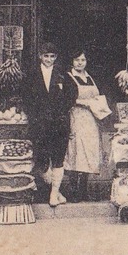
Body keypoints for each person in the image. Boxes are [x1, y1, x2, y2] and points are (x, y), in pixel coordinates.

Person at [24, 42, 77, 207]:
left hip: (59, 124)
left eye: (52, 56)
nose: (48, 59)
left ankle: (53, 194)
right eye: (46, 56)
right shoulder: (32, 74)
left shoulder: (63, 75)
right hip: (39, 124)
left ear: (56, 57)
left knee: (58, 159)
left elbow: (73, 93)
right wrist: (34, 115)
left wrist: (61, 110)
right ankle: (56, 190)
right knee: (41, 161)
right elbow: (26, 97)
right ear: (40, 56)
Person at [64, 50, 110, 201]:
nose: (80, 63)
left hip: (91, 118)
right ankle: (73, 190)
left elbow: (97, 95)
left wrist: (98, 104)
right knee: (75, 153)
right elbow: (66, 99)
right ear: (72, 61)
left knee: (89, 153)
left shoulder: (90, 77)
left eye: (82, 60)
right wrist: (84, 103)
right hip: (76, 117)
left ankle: (84, 189)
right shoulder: (68, 78)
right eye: (77, 60)